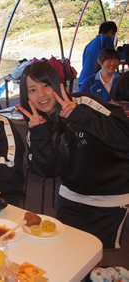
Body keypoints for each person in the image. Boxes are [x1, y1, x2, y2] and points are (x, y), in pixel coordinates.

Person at [18, 62, 129, 249]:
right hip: (71, 196)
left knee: (98, 261)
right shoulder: (37, 124)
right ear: (26, 96)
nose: (42, 95)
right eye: (33, 90)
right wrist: (39, 134)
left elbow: (123, 136)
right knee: (64, 253)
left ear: (56, 84)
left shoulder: (83, 104)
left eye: (46, 85)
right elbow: (49, 170)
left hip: (110, 199)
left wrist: (79, 116)